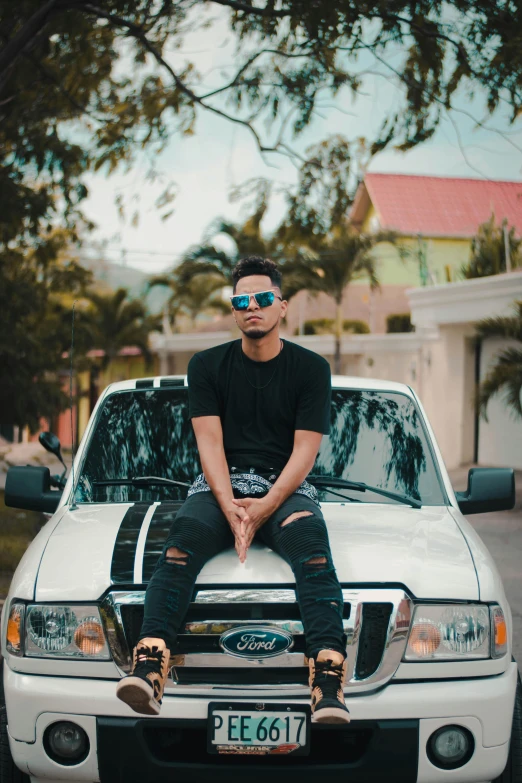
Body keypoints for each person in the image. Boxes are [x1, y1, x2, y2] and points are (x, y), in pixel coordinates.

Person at [116, 255, 349, 724]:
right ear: (234, 310)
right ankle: (150, 663)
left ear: (282, 306)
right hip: (217, 482)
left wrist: (262, 508)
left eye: (263, 299)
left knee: (312, 548)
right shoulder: (206, 366)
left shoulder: (310, 370)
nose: (252, 308)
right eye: (241, 301)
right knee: (182, 542)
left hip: (286, 486)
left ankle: (327, 680)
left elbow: (304, 454)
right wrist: (232, 509)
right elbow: (209, 444)